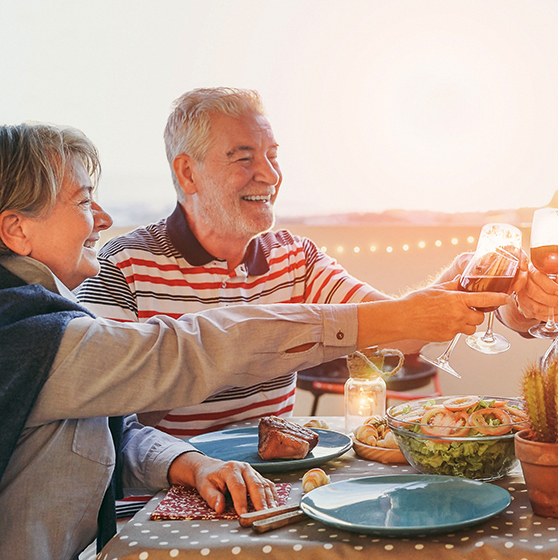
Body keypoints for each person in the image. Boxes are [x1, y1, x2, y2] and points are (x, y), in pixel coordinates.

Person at [0, 122, 509, 560]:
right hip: (152, 523)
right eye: (85, 201)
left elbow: (397, 325)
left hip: (257, 491)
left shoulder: (296, 255)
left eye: (273, 156)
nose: (268, 173)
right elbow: (182, 355)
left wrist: (463, 289)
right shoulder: (35, 331)